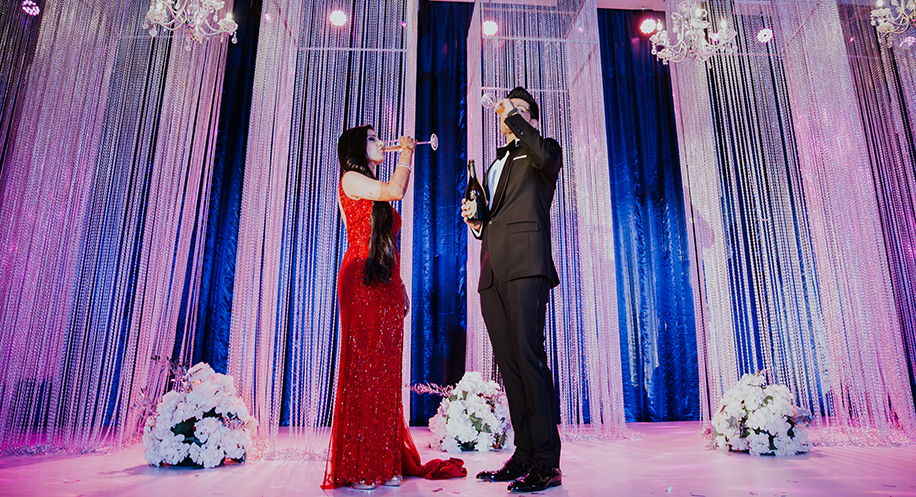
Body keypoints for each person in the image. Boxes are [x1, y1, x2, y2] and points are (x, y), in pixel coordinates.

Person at [323, 125, 467, 490]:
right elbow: (395, 190)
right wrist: (406, 152)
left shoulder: (373, 189)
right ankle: (360, 465)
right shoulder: (351, 179)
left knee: (386, 373)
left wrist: (399, 285)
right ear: (356, 147)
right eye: (371, 138)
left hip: (385, 280)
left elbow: (386, 240)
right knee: (365, 371)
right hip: (361, 278)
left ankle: (385, 461)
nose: (379, 142)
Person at [461, 87, 563, 493]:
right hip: (493, 269)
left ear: (531, 120)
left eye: (521, 110)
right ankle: (524, 453)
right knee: (509, 364)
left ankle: (547, 462)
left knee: (529, 357)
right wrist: (476, 223)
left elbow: (545, 157)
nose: (510, 113)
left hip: (526, 264)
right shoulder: (494, 163)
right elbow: (491, 217)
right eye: (509, 108)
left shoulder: (543, 151)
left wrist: (515, 119)